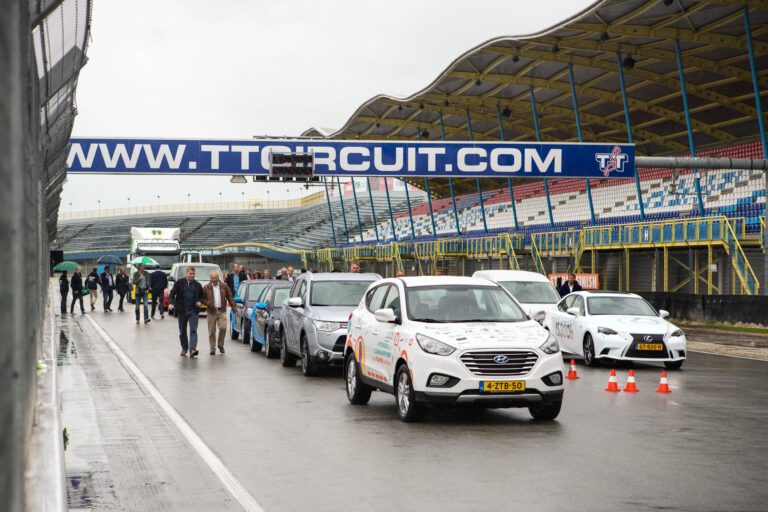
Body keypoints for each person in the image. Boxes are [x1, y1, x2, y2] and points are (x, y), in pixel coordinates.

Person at [167, 266, 203, 357]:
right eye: (190, 274)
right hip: (182, 311)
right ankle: (184, 348)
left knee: (193, 330)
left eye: (193, 274)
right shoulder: (179, 283)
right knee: (182, 331)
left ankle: (192, 349)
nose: (192, 275)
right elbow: (172, 293)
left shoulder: (197, 285)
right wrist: (170, 303)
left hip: (193, 311)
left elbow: (201, 296)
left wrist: (200, 301)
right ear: (186, 273)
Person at [202, 271, 236, 355]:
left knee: (223, 327)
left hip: (221, 311)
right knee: (212, 331)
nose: (214, 280)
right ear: (210, 279)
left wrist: (234, 308)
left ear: (218, 278)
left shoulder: (224, 286)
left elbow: (230, 297)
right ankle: (212, 348)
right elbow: (202, 298)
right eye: (212, 278)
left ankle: (220, 345)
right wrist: (208, 303)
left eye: (216, 278)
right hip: (211, 311)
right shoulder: (206, 287)